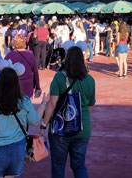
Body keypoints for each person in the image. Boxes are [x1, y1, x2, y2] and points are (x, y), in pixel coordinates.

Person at [40, 46, 96, 178]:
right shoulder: (90, 80)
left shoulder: (59, 77)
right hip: (82, 127)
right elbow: (90, 105)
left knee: (58, 165)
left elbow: (52, 103)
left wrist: (44, 124)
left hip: (61, 128)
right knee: (79, 165)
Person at [5, 34, 41, 98]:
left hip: (13, 85)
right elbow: (35, 72)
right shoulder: (30, 54)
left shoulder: (10, 55)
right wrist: (37, 87)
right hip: (27, 85)